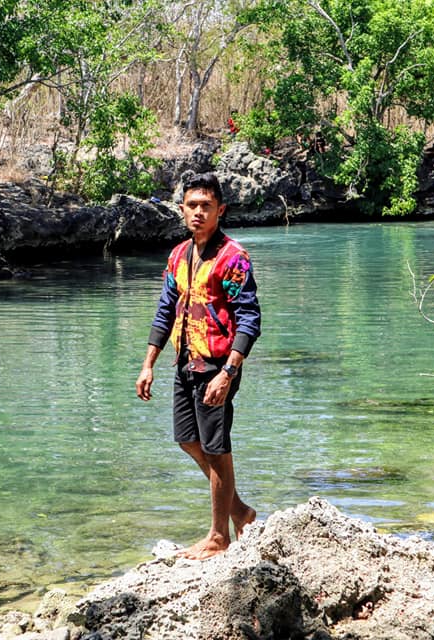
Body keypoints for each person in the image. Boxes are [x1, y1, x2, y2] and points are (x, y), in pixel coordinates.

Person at [135, 172, 261, 560]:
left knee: (216, 448)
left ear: (221, 210)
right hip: (185, 361)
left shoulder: (233, 257)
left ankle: (218, 536)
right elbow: (165, 311)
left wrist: (229, 373)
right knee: (187, 439)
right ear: (181, 209)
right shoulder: (178, 256)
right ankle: (241, 512)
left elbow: (250, 318)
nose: (199, 212)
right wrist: (148, 364)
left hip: (217, 366)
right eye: (192, 205)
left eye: (207, 206)